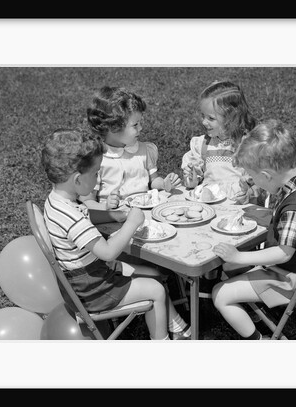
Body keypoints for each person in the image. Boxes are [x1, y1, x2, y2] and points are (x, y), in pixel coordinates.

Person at [41, 128, 190, 340]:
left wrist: (115, 215)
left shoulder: (56, 202)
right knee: (156, 290)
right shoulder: (70, 216)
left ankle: (176, 326)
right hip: (94, 290)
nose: (97, 178)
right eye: (95, 174)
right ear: (77, 180)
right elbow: (108, 253)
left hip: (87, 278)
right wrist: (131, 223)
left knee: (152, 273)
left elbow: (87, 218)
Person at [211, 119, 296, 339]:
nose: (251, 180)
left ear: (266, 175)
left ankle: (258, 339)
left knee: (220, 294)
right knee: (229, 267)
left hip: (290, 278)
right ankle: (255, 309)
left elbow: (283, 253)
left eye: (253, 176)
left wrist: (239, 256)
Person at [81, 86, 181, 210]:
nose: (141, 128)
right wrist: (105, 206)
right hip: (113, 220)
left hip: (145, 213)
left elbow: (153, 181)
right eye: (135, 125)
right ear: (113, 128)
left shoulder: (144, 150)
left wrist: (164, 183)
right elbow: (87, 200)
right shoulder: (98, 160)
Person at [181, 80, 262, 203]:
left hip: (238, 205)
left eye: (211, 118)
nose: (204, 122)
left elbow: (259, 183)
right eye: (203, 116)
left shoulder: (246, 145)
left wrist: (250, 190)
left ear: (231, 118)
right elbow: (193, 183)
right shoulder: (203, 144)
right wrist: (192, 179)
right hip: (209, 205)